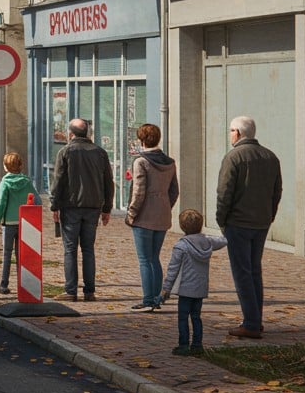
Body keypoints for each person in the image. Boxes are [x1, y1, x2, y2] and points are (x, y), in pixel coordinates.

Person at [216, 115, 282, 339]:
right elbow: (277, 191)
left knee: (242, 272)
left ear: (237, 133)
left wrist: (221, 219)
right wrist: (269, 215)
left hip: (238, 222)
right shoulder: (270, 157)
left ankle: (251, 323)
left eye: (230, 131)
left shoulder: (234, 157)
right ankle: (255, 318)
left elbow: (225, 192)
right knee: (254, 271)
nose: (229, 135)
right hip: (261, 222)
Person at [49, 118, 114, 301]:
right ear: (87, 133)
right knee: (88, 249)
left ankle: (70, 290)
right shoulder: (100, 153)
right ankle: (89, 291)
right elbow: (108, 182)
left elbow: (59, 181)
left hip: (70, 207)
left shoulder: (66, 151)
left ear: (70, 134)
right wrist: (107, 208)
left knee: (70, 249)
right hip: (93, 207)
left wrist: (54, 205)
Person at [125, 123, 180, 312]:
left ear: (142, 140)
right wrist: (165, 206)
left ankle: (148, 300)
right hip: (162, 215)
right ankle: (157, 298)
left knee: (144, 259)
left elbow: (139, 192)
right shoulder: (170, 162)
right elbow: (174, 191)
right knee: (154, 258)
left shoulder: (141, 162)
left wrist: (131, 214)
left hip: (144, 216)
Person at [160, 209, 227, 356]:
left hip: (185, 289)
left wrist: (166, 289)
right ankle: (197, 345)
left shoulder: (181, 246)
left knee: (183, 317)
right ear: (201, 225)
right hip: (200, 289)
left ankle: (183, 345)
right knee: (196, 317)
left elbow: (173, 269)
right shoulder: (207, 241)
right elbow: (223, 241)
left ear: (182, 227)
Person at [0, 151, 39, 294]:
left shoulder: (5, 183)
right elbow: (36, 199)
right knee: (22, 255)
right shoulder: (27, 182)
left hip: (9, 223)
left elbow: (1, 203)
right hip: (24, 222)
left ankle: (4, 284)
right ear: (20, 165)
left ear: (6, 167)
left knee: (7, 254)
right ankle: (23, 285)